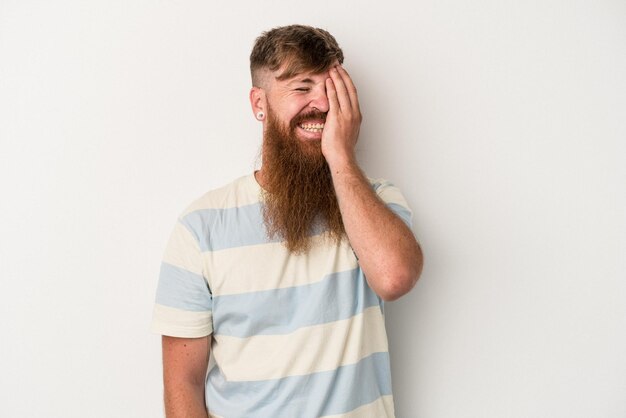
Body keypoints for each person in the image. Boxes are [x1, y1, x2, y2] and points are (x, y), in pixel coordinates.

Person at [151, 24, 423, 418]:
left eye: (331, 89)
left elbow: (394, 277)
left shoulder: (375, 200)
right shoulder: (200, 227)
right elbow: (183, 385)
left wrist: (342, 158)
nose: (322, 104)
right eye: (302, 88)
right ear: (258, 103)